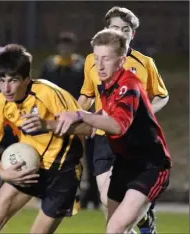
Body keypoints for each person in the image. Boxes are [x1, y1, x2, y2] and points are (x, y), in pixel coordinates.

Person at [52, 29, 171, 234]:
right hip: (124, 164)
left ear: (122, 61)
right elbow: (92, 125)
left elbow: (117, 125)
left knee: (116, 228)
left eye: (106, 59)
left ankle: (146, 221)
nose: (99, 65)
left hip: (150, 165)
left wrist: (81, 113)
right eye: (96, 58)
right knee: (113, 228)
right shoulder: (107, 85)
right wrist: (45, 125)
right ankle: (144, 223)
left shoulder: (129, 85)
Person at [0, 44, 85, 234]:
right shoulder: (1, 102)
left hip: (62, 173)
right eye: (1, 80)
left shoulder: (50, 94)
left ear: (27, 80)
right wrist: (1, 172)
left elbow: (89, 127)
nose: (6, 88)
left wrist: (48, 124)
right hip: (28, 165)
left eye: (13, 80)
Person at [40, 31, 84, 99]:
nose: (65, 48)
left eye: (68, 45)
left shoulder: (81, 65)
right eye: (62, 45)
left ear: (74, 47)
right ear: (57, 47)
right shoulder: (49, 64)